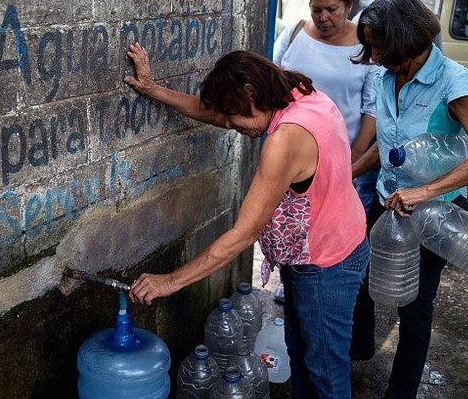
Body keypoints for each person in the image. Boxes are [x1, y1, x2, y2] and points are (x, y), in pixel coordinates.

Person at [124, 43, 370, 398]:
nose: (231, 127)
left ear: (250, 92)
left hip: (326, 264)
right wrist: (153, 89)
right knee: (302, 356)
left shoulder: (285, 138)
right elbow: (219, 114)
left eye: (234, 119)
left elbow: (245, 233)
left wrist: (170, 282)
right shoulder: (299, 92)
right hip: (322, 246)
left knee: (326, 373)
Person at [350, 0, 468, 398]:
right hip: (386, 200)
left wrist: (425, 191)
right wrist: (344, 175)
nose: (373, 56)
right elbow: (387, 144)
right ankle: (359, 349)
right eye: (370, 45)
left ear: (406, 38)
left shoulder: (456, 82)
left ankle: (402, 389)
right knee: (359, 275)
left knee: (415, 305)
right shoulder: (385, 76)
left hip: (435, 214)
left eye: (379, 46)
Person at [272, 0, 379, 304]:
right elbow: (272, 81)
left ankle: (328, 297)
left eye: (331, 9)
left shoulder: (365, 47)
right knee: (292, 223)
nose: (323, 17)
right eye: (316, 9)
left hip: (340, 160)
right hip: (294, 158)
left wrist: (354, 160)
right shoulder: (293, 35)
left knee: (331, 236)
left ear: (348, 5)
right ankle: (291, 282)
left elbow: (371, 109)